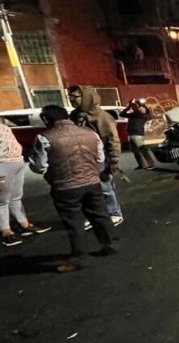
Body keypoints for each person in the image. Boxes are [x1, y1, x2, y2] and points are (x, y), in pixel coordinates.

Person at [29, 105, 117, 272]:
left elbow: (39, 167)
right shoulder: (91, 134)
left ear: (46, 119)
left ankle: (79, 258)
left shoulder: (45, 137)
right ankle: (110, 244)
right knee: (100, 215)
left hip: (65, 186)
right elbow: (100, 158)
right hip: (92, 183)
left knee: (74, 222)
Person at [68, 85, 124, 226]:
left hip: (99, 159)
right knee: (86, 190)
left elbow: (112, 139)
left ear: (86, 97)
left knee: (105, 187)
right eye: (70, 96)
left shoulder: (102, 117)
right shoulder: (74, 116)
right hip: (80, 159)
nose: (72, 99)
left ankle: (114, 212)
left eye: (75, 96)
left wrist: (113, 160)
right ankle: (93, 214)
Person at [0, 121, 50, 247]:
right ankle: (6, 231)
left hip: (17, 162)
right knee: (2, 201)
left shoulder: (4, 127)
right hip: (2, 165)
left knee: (16, 196)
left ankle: (23, 224)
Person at [120, 98, 155, 170]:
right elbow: (122, 114)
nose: (141, 109)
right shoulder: (134, 114)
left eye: (142, 108)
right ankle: (141, 165)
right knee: (135, 151)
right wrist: (129, 106)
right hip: (131, 134)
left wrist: (132, 104)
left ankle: (151, 164)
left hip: (137, 134)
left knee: (142, 149)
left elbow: (136, 110)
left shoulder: (141, 115)